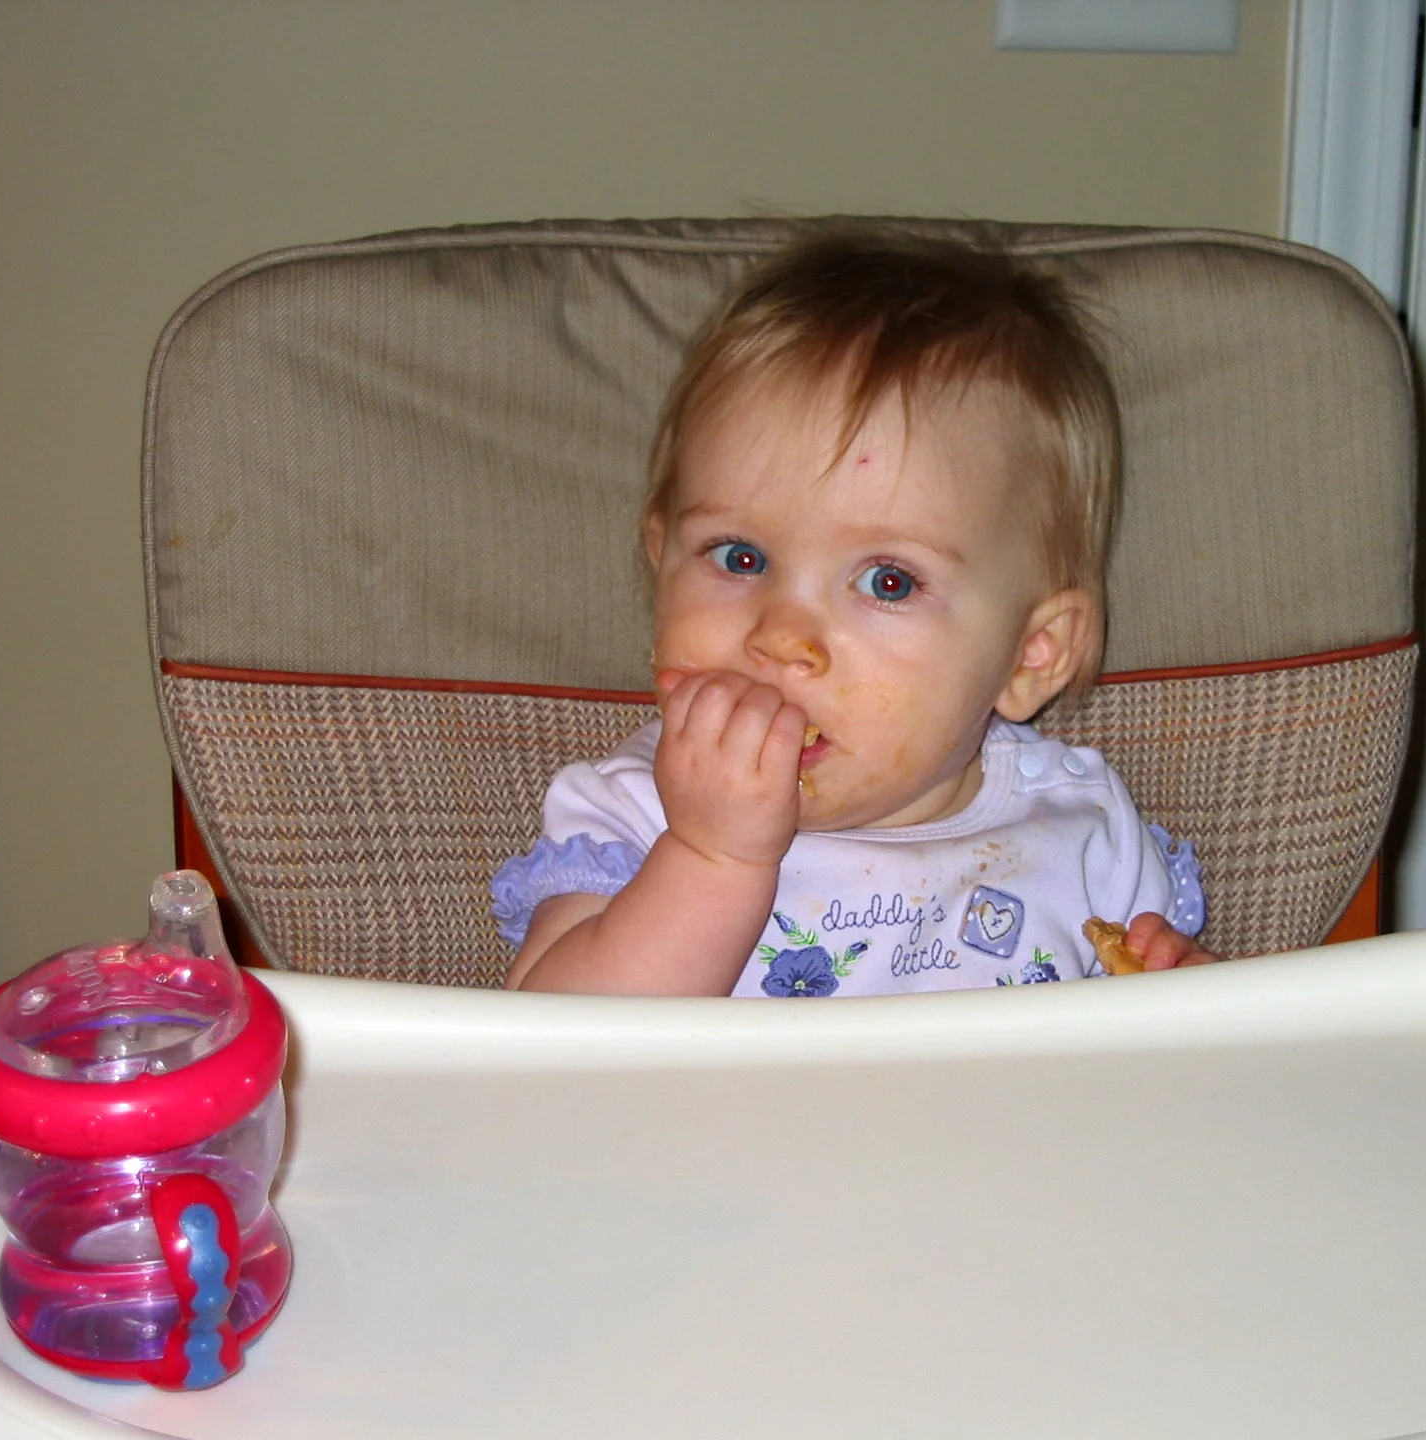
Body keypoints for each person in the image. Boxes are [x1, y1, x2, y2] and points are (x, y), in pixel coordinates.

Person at [494, 226, 1217, 996]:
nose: (783, 637)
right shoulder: (639, 814)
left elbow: (1178, 1055)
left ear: (1029, 654)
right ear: (660, 559)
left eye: (888, 582)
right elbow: (548, 1043)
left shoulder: (1082, 835)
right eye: (740, 558)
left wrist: (1195, 1006)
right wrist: (712, 857)